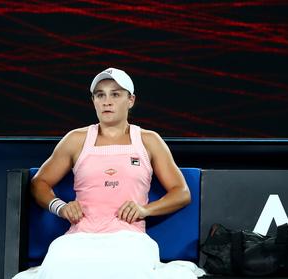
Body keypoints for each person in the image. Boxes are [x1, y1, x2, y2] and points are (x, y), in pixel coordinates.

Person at [13, 67, 202, 279]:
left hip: (129, 239)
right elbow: (39, 183)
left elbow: (181, 192)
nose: (107, 101)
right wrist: (61, 207)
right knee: (57, 270)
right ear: (93, 101)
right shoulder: (76, 139)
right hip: (79, 238)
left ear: (130, 100)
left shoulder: (149, 140)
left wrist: (145, 209)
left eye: (115, 94)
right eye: (100, 95)